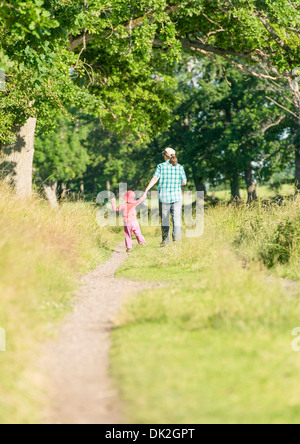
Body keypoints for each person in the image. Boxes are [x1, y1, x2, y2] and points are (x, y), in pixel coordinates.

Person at [144, 148, 187, 246]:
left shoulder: (160, 166)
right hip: (177, 197)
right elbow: (184, 182)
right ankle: (176, 242)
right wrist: (175, 184)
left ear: (165, 155)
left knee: (165, 219)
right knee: (177, 219)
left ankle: (165, 241)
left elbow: (155, 179)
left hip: (164, 198)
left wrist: (146, 190)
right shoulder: (180, 167)